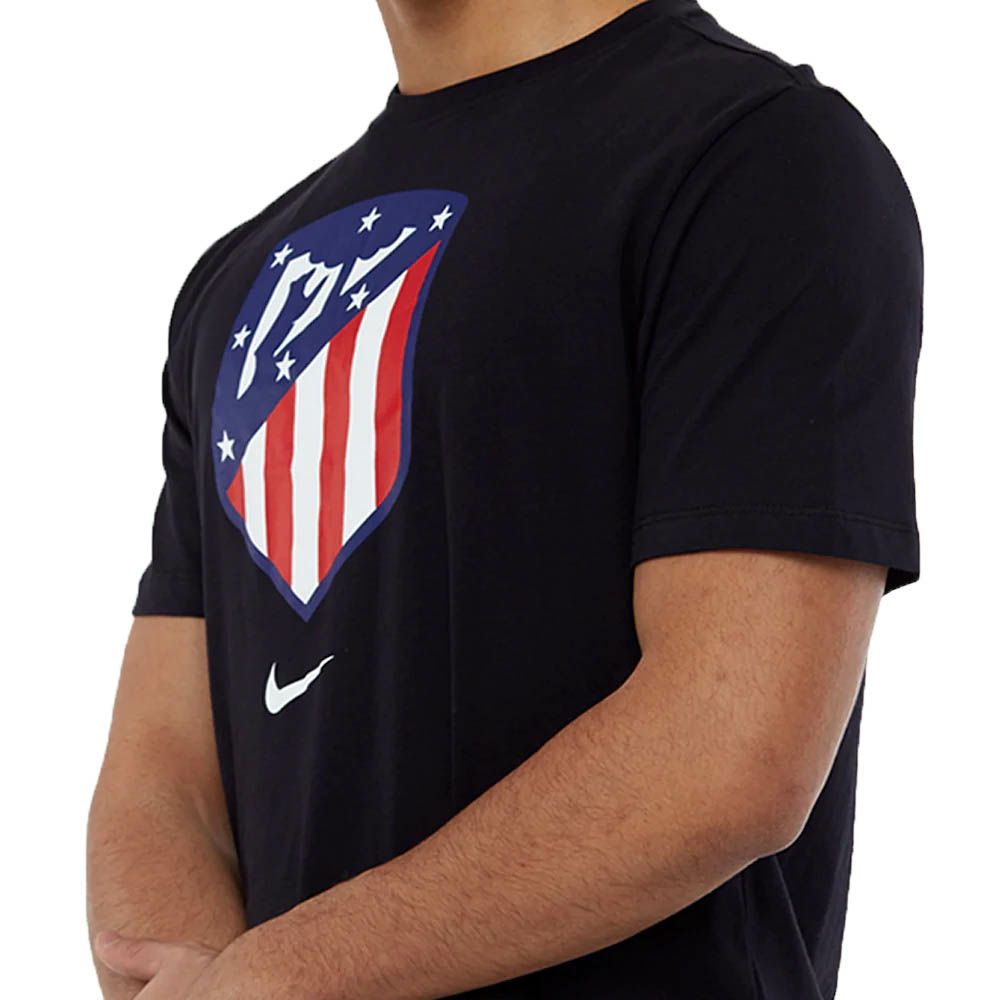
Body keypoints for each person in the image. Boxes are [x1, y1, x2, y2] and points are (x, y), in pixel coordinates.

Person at [86, 1, 923, 997]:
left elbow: (730, 750)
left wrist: (277, 978)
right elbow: (163, 776)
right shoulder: (242, 282)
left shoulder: (756, 157)